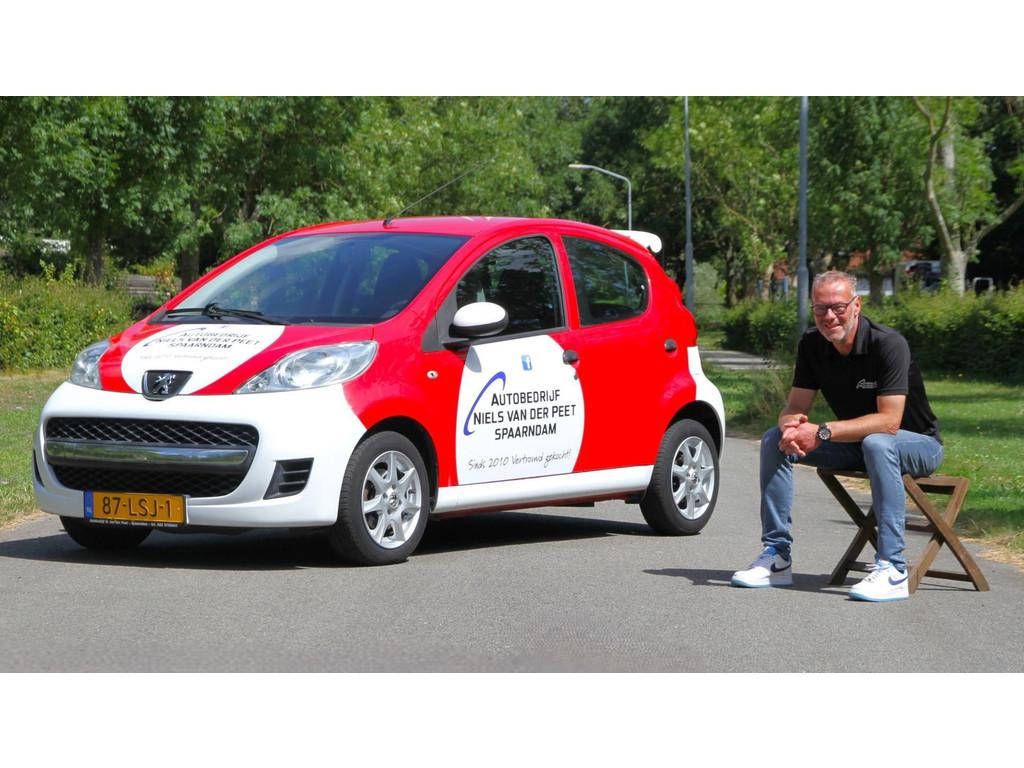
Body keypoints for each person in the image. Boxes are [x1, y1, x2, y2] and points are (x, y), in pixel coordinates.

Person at [731, 270, 943, 602]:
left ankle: (893, 568)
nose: (829, 316)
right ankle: (777, 556)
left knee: (878, 442)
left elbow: (889, 422)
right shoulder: (812, 344)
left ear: (856, 306)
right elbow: (795, 406)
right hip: (858, 446)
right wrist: (791, 427)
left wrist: (823, 431)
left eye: (838, 307)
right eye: (820, 308)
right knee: (773, 440)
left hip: (918, 445)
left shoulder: (888, 344)